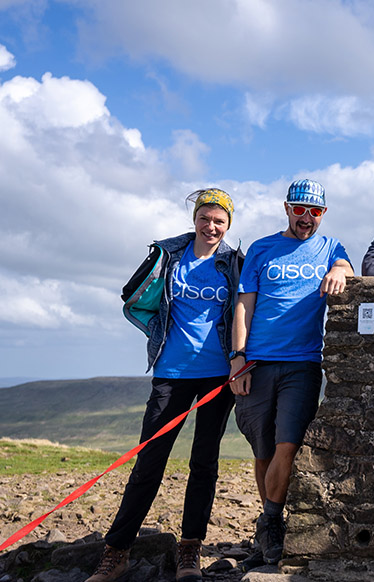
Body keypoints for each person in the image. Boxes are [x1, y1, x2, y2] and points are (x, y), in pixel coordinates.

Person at [88, 189, 241, 582]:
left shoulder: (235, 263)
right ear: (194, 220)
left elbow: (247, 310)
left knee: (203, 463)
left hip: (217, 376)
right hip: (171, 372)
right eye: (205, 219)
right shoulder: (169, 255)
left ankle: (190, 550)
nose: (211, 226)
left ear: (228, 225)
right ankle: (116, 552)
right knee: (148, 463)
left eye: (219, 221)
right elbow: (138, 295)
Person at [228, 178, 353, 566]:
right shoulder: (262, 249)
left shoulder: (331, 247)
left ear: (323, 214)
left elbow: (348, 264)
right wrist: (238, 357)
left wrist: (340, 270)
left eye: (315, 212)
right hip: (257, 362)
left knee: (289, 445)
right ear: (287, 208)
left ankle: (269, 521)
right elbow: (244, 305)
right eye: (300, 209)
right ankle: (271, 525)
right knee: (263, 448)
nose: (306, 218)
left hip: (303, 363)